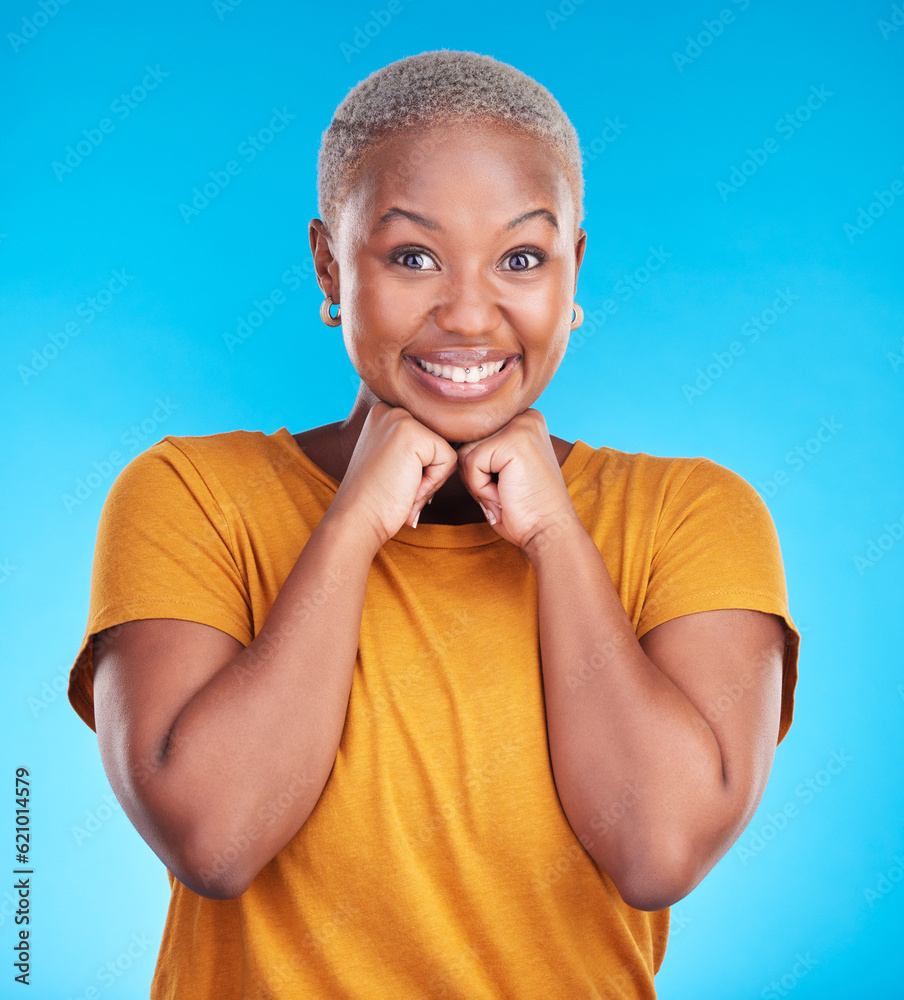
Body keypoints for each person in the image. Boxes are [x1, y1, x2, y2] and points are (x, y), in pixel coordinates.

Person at [67, 50, 800, 998]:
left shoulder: (693, 516)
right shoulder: (190, 496)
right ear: (330, 264)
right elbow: (216, 837)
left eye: (522, 258)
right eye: (412, 255)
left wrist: (556, 538)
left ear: (574, 268)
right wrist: (354, 521)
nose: (467, 313)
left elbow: (656, 849)